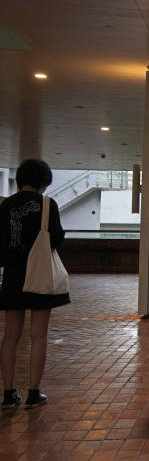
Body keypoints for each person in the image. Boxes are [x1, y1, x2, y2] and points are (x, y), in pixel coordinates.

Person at [0, 159, 69, 411]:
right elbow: (57, 239)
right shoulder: (47, 205)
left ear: (20, 180)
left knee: (10, 336)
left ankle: (8, 394)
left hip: (13, 276)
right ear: (44, 182)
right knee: (38, 335)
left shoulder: (5, 205)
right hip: (39, 274)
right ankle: (33, 393)